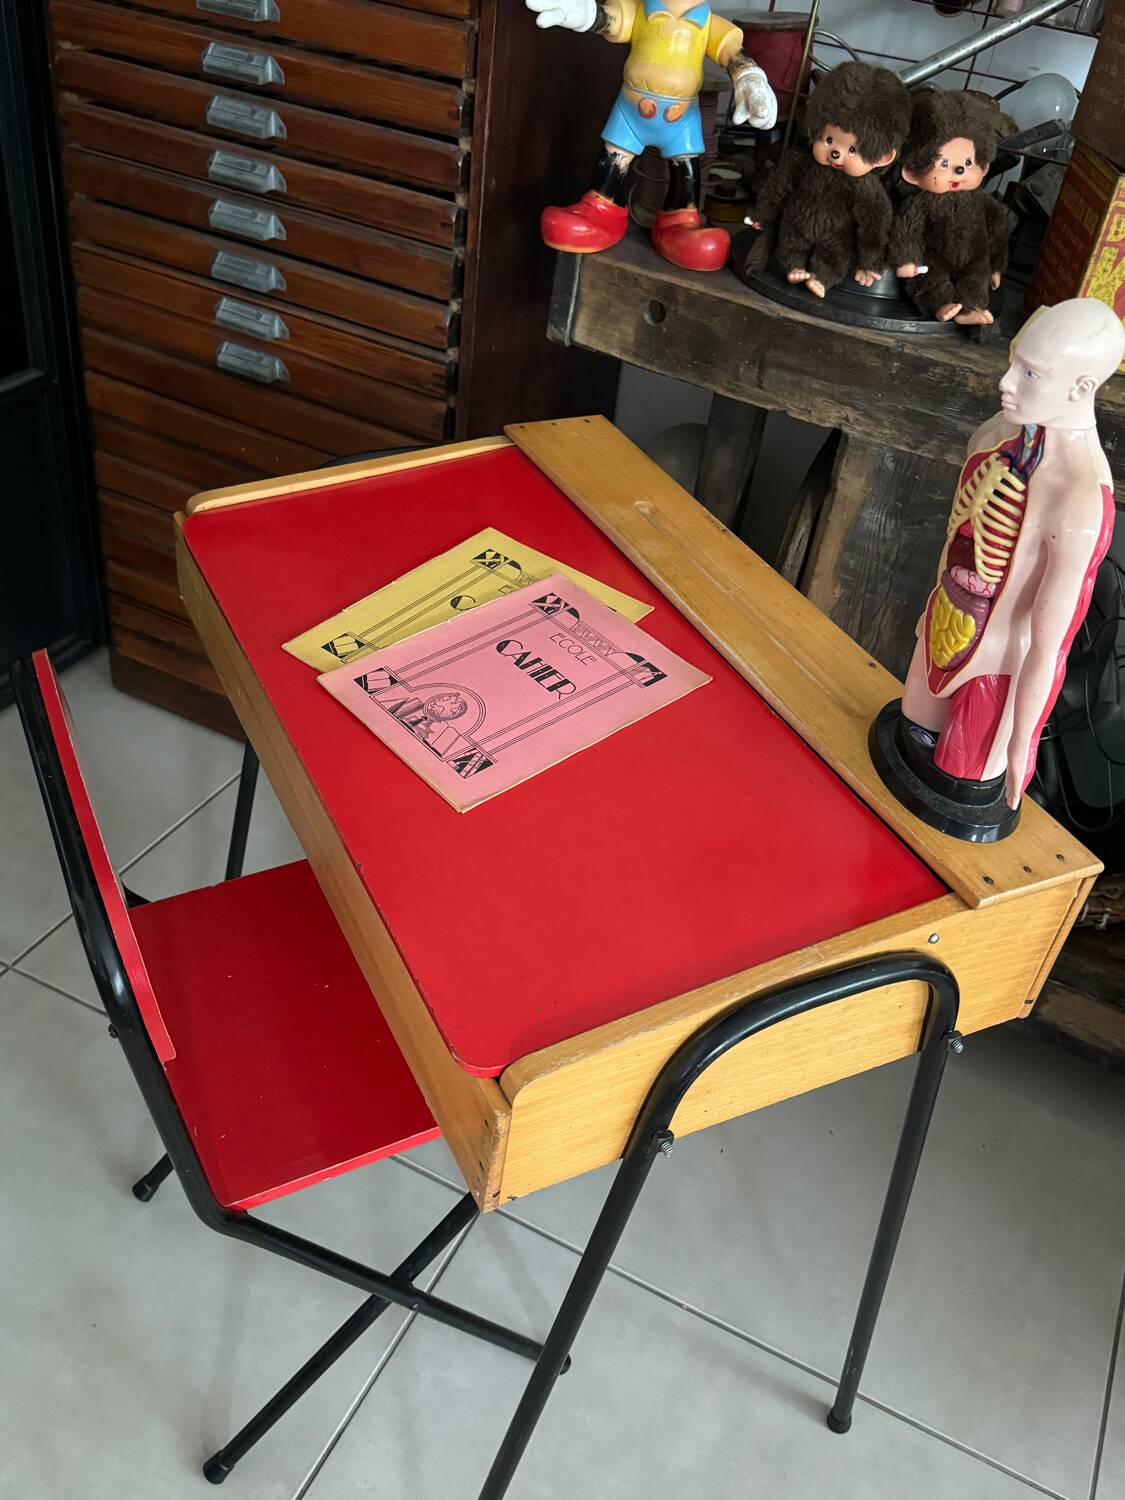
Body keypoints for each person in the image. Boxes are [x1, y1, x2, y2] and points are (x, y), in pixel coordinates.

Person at [900, 298, 1124, 810]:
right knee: (910, 736)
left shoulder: (1079, 498)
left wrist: (1022, 740)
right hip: (940, 625)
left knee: (965, 775)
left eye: (1030, 374)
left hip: (996, 668)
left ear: (1080, 387)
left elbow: (1054, 642)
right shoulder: (996, 433)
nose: (1005, 383)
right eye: (1014, 363)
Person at [526, 0, 777, 271]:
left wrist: (750, 77)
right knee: (613, 161)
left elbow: (731, 51)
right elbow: (613, 20)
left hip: (682, 117)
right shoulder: (639, 10)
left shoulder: (708, 24)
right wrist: (586, 15)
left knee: (686, 173)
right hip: (631, 111)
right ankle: (600, 210)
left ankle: (681, 223)